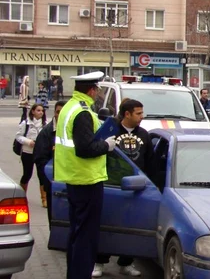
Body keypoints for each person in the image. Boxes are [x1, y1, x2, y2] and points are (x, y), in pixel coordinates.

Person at [54, 71, 116, 279]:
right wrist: (107, 145)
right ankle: (80, 274)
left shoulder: (69, 108)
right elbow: (85, 149)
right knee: (86, 237)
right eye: (97, 89)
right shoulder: (83, 113)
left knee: (77, 232)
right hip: (86, 179)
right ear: (91, 90)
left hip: (74, 177)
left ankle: (74, 273)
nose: (98, 93)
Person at [94, 99, 150, 277]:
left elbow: (151, 161)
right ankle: (99, 262)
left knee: (132, 226)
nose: (142, 116)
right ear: (127, 114)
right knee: (108, 223)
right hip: (111, 185)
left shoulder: (144, 135)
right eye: (138, 113)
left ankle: (126, 263)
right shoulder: (111, 131)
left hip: (136, 188)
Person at [34, 100, 66, 216]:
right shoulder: (46, 133)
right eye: (58, 112)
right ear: (54, 113)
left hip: (70, 183)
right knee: (54, 219)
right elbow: (40, 159)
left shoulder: (72, 130)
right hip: (54, 186)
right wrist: (48, 183)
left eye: (63, 112)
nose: (60, 115)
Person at [16, 103, 47, 195]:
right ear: (33, 111)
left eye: (42, 111)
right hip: (27, 152)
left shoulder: (45, 124)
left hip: (40, 154)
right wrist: (28, 142)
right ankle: (22, 194)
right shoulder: (26, 123)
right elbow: (18, 136)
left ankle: (44, 198)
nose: (41, 112)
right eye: (38, 110)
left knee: (42, 175)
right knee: (27, 174)